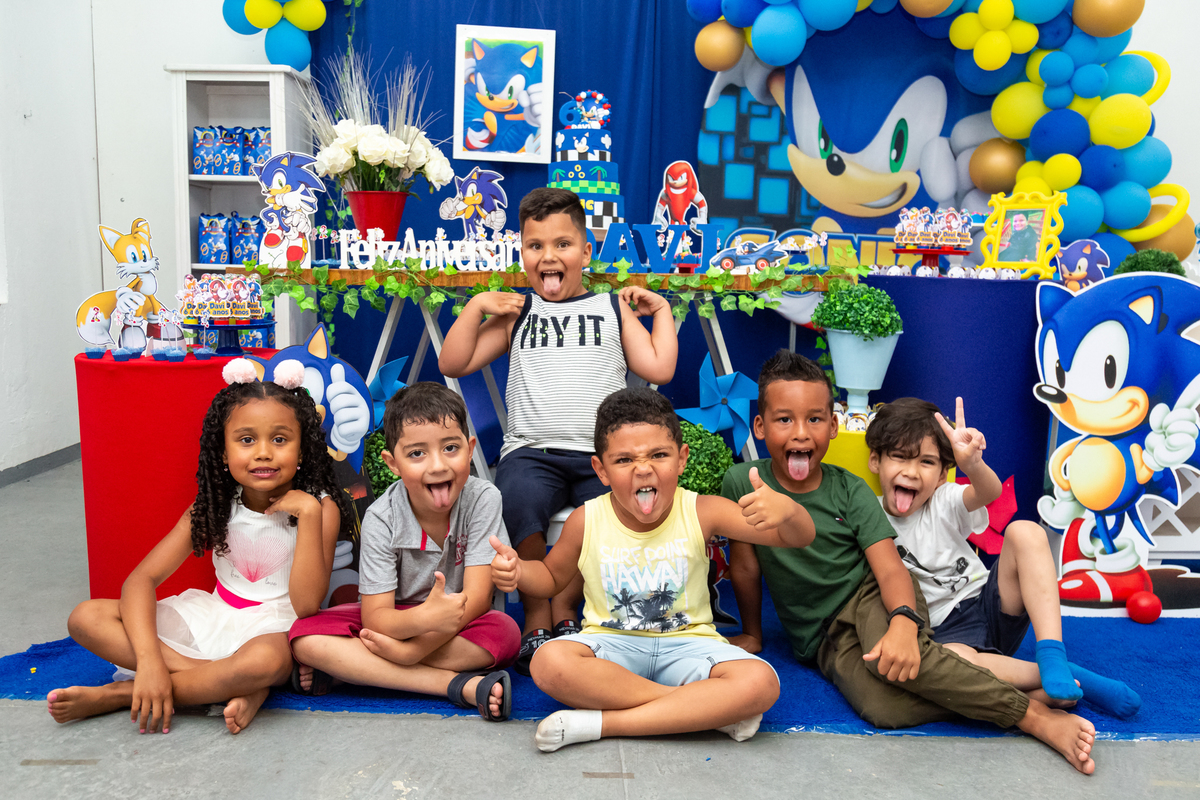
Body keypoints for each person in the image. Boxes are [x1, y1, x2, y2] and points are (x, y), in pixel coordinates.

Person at [723, 350, 1099, 775]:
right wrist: (752, 633)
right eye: (784, 419)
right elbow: (745, 566)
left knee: (914, 664)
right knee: (882, 707)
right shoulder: (740, 482)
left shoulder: (851, 491)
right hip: (823, 639)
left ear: (833, 426)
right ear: (760, 426)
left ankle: (1033, 717)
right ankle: (1024, 693)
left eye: (814, 419)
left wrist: (902, 621)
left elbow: (889, 569)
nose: (800, 433)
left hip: (870, 597)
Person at [489, 388, 815, 751]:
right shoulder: (586, 519)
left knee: (761, 681)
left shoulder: (703, 510)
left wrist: (789, 511)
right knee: (549, 662)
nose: (643, 469)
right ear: (601, 470)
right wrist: (519, 572)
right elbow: (550, 579)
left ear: (681, 459)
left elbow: (799, 538)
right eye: (624, 460)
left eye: (659, 455)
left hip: (689, 645)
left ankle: (603, 724)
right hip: (610, 646)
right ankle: (699, 710)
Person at [440, 187, 678, 673]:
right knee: (516, 499)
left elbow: (660, 367)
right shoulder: (518, 312)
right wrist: (476, 306)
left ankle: (567, 607)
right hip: (532, 451)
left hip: (601, 456)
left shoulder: (612, 308)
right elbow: (453, 362)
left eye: (562, 244)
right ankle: (536, 613)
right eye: (535, 246)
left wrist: (662, 312)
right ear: (522, 254)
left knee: (602, 511)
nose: (548, 256)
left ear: (586, 252)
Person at [49, 358, 351, 735]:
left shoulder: (321, 508)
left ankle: (122, 694)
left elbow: (306, 606)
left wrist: (307, 513)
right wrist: (149, 660)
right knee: (86, 617)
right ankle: (223, 685)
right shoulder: (214, 505)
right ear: (223, 453)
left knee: (263, 664)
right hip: (213, 615)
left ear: (302, 450)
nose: (263, 452)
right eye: (246, 440)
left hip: (275, 629)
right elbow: (141, 580)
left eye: (279, 439)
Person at [865, 396, 1141, 718]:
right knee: (954, 662)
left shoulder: (943, 499)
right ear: (875, 460)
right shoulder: (868, 516)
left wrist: (972, 465)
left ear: (942, 476)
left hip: (991, 604)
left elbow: (989, 492)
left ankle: (1052, 653)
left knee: (1025, 531)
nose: (912, 472)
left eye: (926, 462)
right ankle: (1058, 679)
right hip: (945, 635)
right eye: (900, 457)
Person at [289, 382, 520, 720]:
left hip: (459, 618)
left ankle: (354, 671)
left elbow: (478, 599)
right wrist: (421, 621)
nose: (437, 465)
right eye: (416, 454)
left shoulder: (484, 498)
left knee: (506, 634)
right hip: (396, 620)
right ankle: (456, 685)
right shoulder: (381, 517)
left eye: (451, 448)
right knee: (303, 637)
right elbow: (376, 618)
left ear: (470, 449)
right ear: (392, 462)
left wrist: (413, 651)